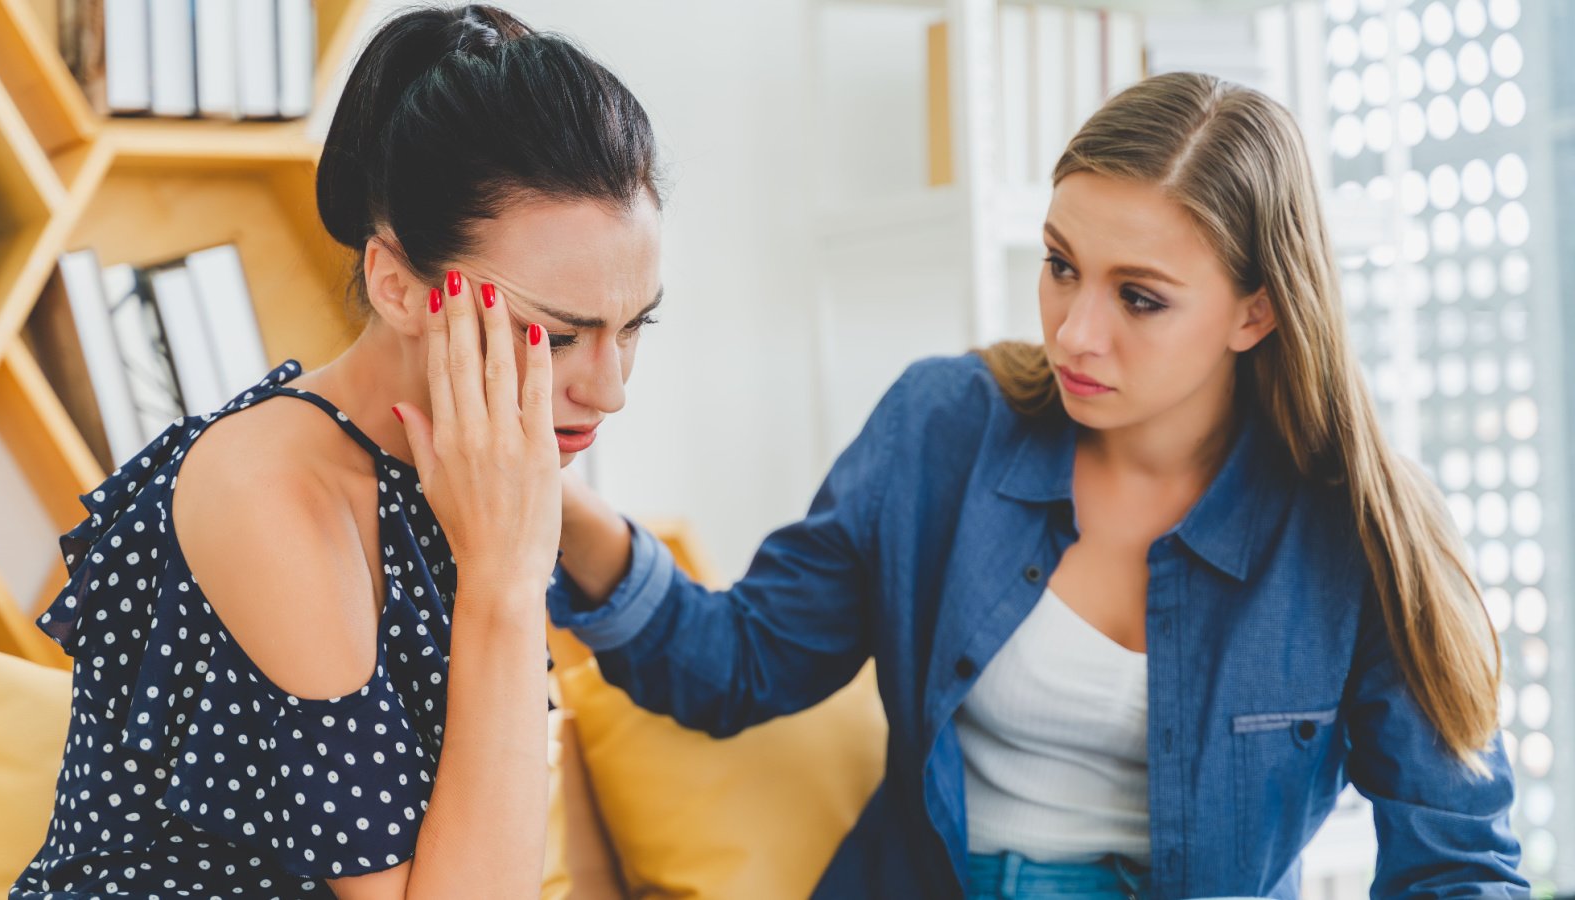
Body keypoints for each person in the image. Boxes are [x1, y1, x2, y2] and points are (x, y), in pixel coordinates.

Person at [551, 72, 1528, 898]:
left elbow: (1457, 865)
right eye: (1061, 267)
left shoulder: (1358, 535)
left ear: (1256, 312)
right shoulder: (944, 429)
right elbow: (741, 664)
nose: (1073, 332)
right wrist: (551, 504)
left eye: (1137, 297)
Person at [12, 6, 662, 898]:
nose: (611, 387)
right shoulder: (273, 493)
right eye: (553, 336)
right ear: (397, 285)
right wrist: (505, 585)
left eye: (635, 327)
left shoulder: (473, 469)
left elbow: (706, 642)